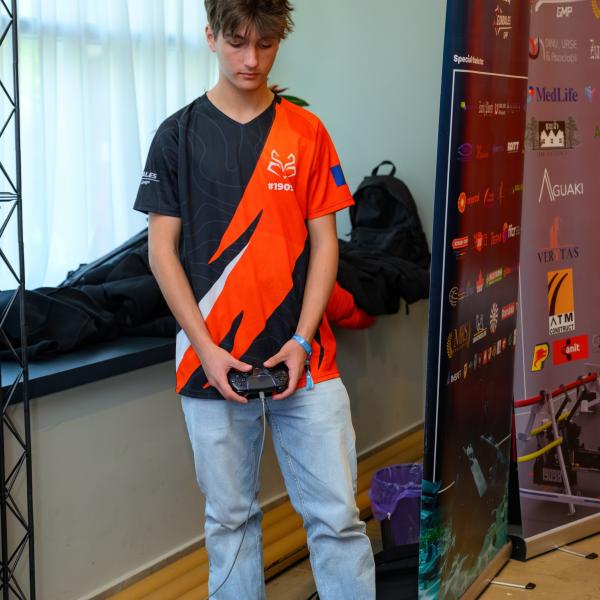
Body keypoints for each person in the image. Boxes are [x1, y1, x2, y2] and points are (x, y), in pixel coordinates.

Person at [133, 0, 375, 597]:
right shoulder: (176, 135)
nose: (252, 59)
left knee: (339, 520)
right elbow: (161, 253)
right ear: (210, 37)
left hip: (306, 360)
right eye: (237, 43)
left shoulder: (306, 131)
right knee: (230, 524)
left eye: (265, 45)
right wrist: (206, 350)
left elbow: (326, 244)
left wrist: (300, 340)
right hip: (210, 361)